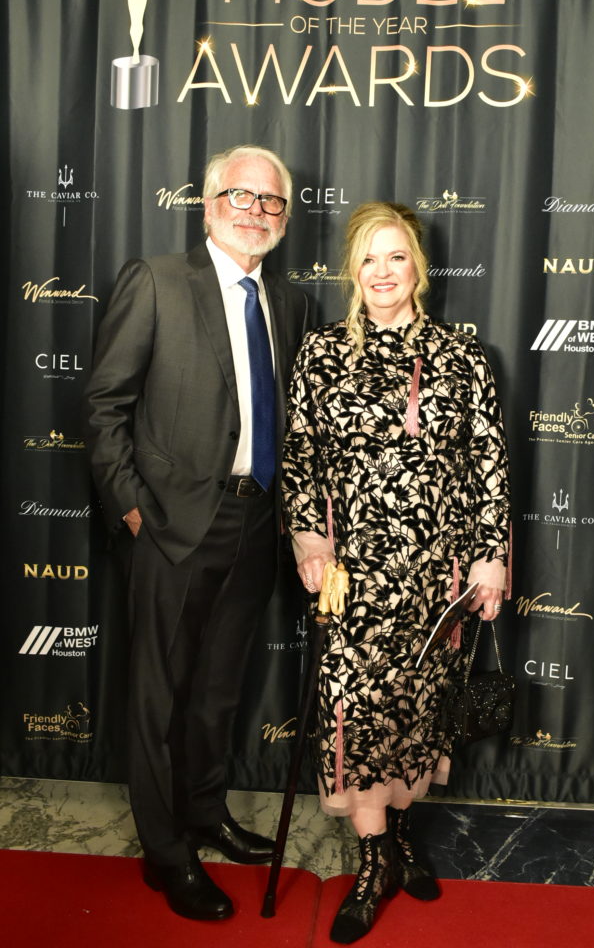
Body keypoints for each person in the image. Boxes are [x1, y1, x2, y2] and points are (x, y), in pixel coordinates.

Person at [84, 145, 308, 921]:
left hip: (257, 521)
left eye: (271, 201)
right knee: (159, 698)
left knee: (218, 691)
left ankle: (207, 815)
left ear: (285, 218)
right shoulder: (155, 281)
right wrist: (133, 507)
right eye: (241, 196)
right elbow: (105, 405)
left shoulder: (290, 302)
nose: (256, 211)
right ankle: (165, 851)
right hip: (171, 526)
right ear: (209, 204)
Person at [282, 202, 510, 943]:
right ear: (352, 270)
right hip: (355, 578)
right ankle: (374, 860)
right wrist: (310, 542)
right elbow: (301, 458)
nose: (383, 272)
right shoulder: (320, 353)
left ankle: (401, 839)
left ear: (419, 266)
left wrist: (491, 557)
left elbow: (489, 464)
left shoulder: (463, 355)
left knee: (418, 712)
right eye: (369, 259)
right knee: (361, 714)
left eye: (397, 257)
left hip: (439, 578)